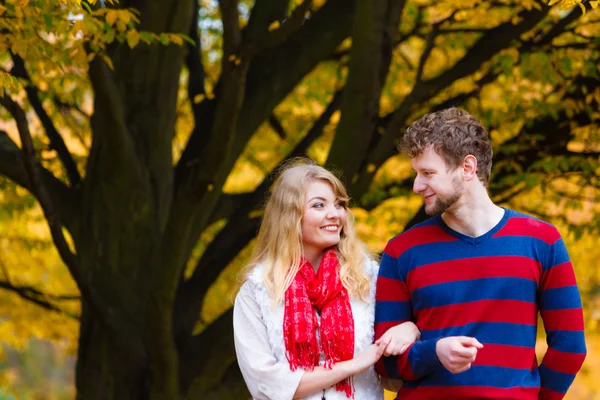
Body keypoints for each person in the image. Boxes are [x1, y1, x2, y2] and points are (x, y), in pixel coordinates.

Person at [374, 107, 587, 399]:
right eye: (416, 174)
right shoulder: (402, 251)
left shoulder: (542, 242)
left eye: (427, 173)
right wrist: (434, 352)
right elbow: (385, 364)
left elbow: (570, 347)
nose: (417, 186)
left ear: (467, 168)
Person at [233, 160, 419, 400]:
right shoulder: (258, 290)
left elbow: (394, 375)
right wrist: (352, 366)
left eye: (339, 204)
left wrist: (411, 329)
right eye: (318, 205)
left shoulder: (368, 278)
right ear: (290, 216)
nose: (334, 214)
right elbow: (265, 384)